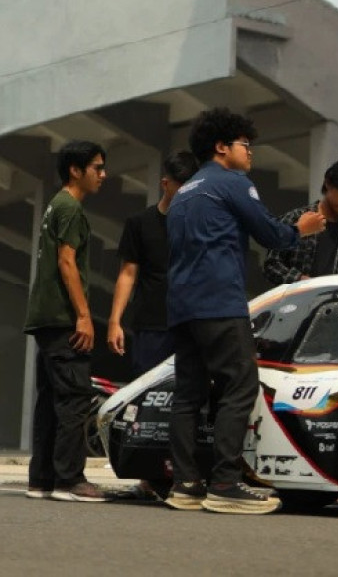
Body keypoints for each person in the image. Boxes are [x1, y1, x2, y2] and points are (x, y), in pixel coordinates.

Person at [165, 107, 326, 514]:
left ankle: (184, 484)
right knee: (239, 386)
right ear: (222, 147)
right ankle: (224, 483)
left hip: (182, 305)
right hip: (219, 301)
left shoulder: (183, 193)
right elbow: (270, 233)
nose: (250, 154)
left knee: (188, 395)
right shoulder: (232, 182)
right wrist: (301, 230)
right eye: (245, 145)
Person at [106, 150, 200, 501]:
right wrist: (115, 320)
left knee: (186, 401)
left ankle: (182, 473)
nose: (186, 193)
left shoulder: (195, 225)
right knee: (146, 402)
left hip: (189, 324)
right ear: (165, 183)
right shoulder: (140, 224)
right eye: (181, 186)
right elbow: (127, 274)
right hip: (150, 325)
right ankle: (146, 474)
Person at [23, 140, 111, 502]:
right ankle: (69, 480)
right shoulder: (71, 208)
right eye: (97, 168)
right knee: (75, 398)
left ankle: (41, 479)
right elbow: (66, 262)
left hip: (44, 319)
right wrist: (84, 316)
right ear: (76, 170)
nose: (103, 175)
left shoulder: (54, 205)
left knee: (50, 400)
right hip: (62, 319)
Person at [263, 157, 338, 286]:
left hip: (332, 304)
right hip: (294, 302)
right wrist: (301, 281)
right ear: (328, 183)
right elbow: (271, 265)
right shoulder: (296, 218)